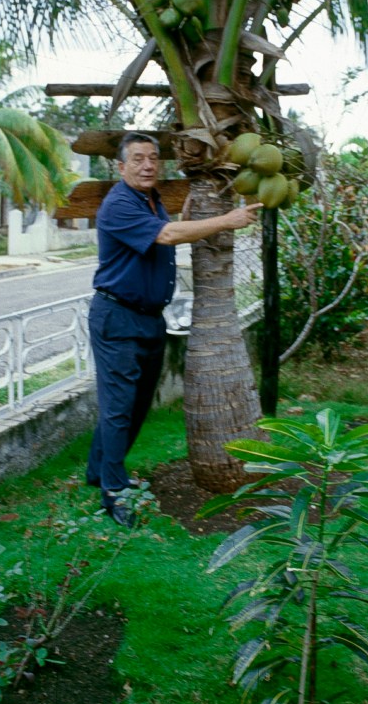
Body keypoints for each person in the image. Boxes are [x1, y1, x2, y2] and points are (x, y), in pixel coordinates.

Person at [87, 131, 262, 526]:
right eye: (138, 159)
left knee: (134, 406)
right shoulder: (119, 203)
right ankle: (113, 493)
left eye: (153, 158)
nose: (148, 165)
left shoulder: (150, 200)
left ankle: (98, 471)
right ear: (121, 166)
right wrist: (228, 220)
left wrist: (188, 218)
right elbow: (165, 236)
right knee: (119, 408)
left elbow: (166, 231)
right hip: (118, 317)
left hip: (149, 317)